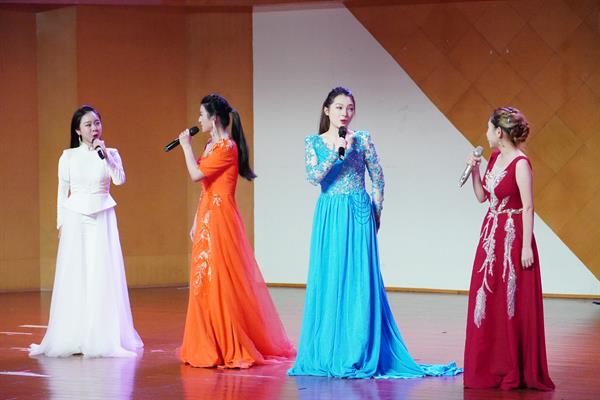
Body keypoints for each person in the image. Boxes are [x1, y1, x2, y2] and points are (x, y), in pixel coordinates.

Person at [288, 87, 461, 378]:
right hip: (330, 213)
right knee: (330, 275)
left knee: (359, 279)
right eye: (339, 107)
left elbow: (378, 177)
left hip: (358, 211)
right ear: (327, 110)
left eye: (350, 108)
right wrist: (337, 152)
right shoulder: (313, 142)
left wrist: (376, 213)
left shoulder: (363, 138)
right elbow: (314, 176)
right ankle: (329, 349)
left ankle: (358, 348)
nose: (345, 113)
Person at [177, 93, 295, 368]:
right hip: (207, 216)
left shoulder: (226, 147)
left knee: (221, 279)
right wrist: (196, 219)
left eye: (202, 115)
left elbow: (196, 175)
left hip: (221, 218)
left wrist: (185, 147)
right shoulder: (211, 145)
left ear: (214, 118)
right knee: (203, 279)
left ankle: (226, 341)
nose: (198, 120)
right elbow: (206, 187)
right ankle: (208, 341)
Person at [30, 105, 143, 358]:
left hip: (102, 215)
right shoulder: (68, 157)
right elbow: (62, 193)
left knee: (101, 271)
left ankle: (102, 335)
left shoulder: (111, 153)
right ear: (78, 131)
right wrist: (61, 224)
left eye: (97, 123)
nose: (94, 129)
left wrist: (106, 157)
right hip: (75, 218)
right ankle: (74, 335)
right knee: (77, 273)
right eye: (88, 125)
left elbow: (119, 180)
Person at [463, 107, 554, 390]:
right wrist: (475, 171)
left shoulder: (521, 164)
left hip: (513, 239)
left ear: (499, 132)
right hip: (490, 236)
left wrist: (526, 246)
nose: (486, 133)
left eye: (489, 128)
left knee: (511, 300)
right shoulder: (493, 158)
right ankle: (490, 363)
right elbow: (482, 197)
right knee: (488, 297)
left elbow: (528, 206)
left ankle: (514, 366)